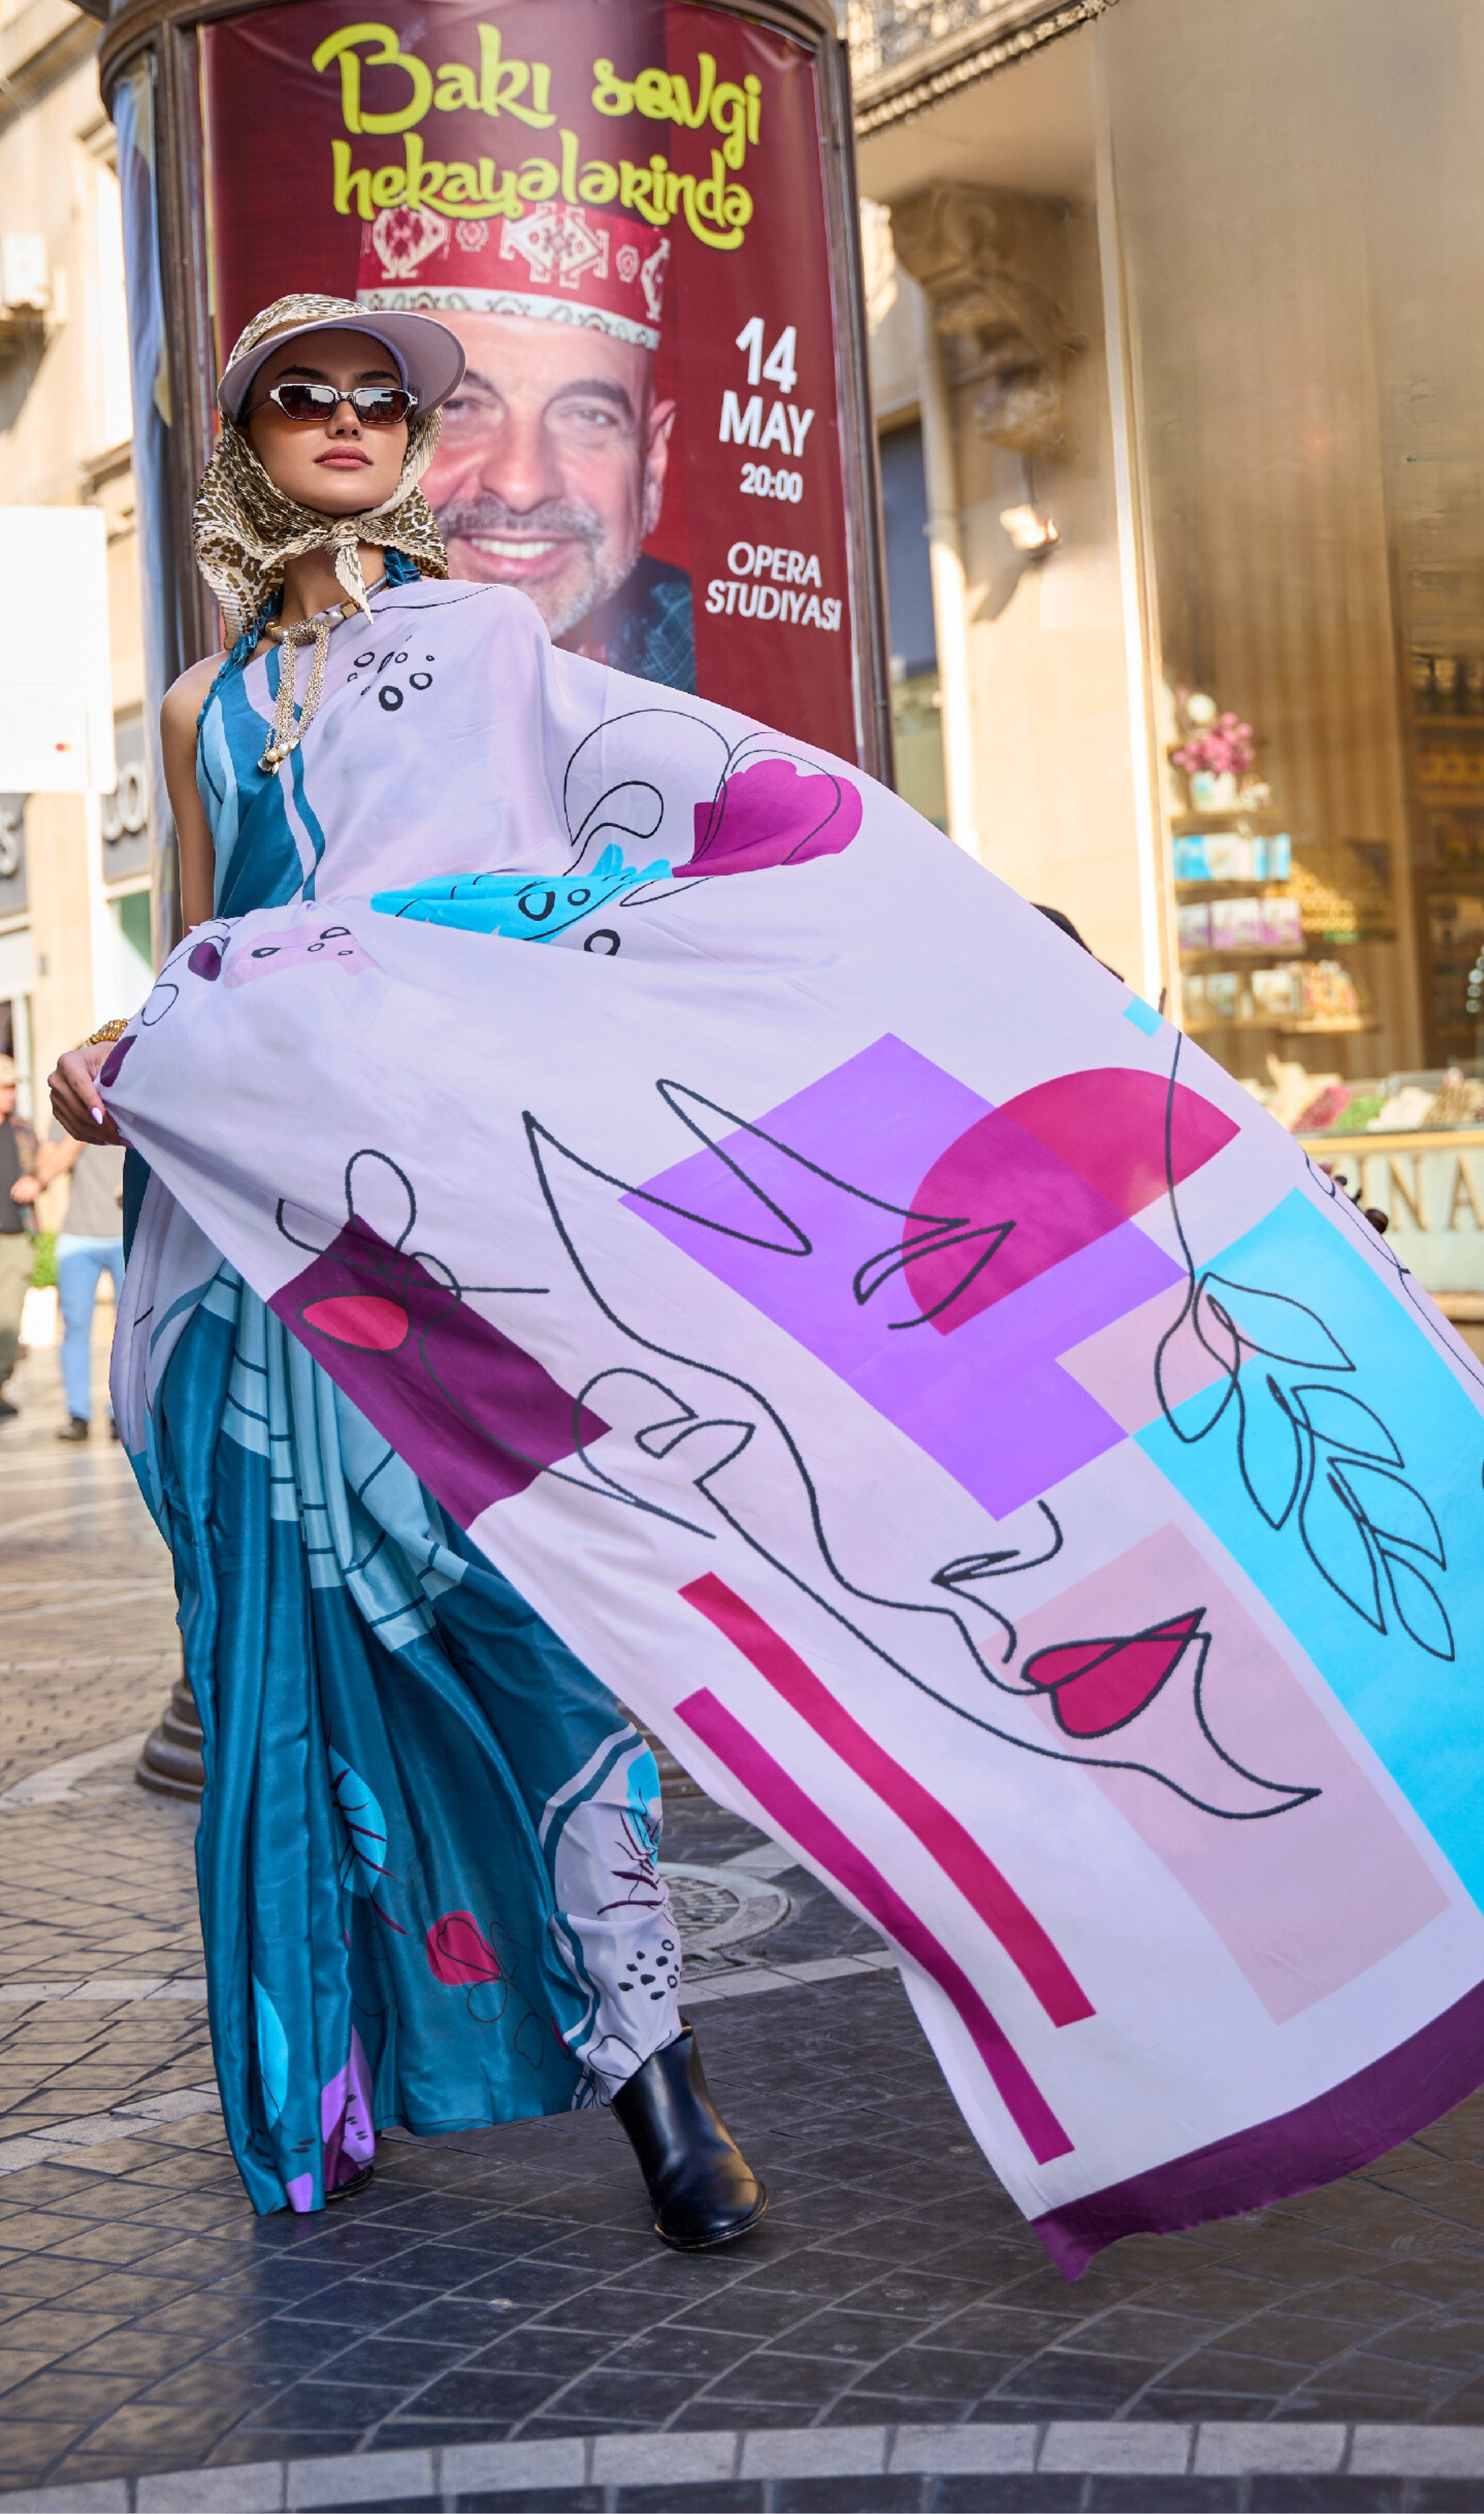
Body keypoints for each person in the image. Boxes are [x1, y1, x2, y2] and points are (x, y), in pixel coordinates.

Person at [49, 293, 761, 2246]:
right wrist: (114, 1054)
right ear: (246, 439)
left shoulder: (475, 649)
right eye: (308, 394)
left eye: (386, 396)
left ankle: (661, 2089)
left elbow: (513, 916)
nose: (351, 418)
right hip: (236, 1241)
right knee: (274, 1671)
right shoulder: (201, 708)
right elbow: (216, 952)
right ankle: (318, 2081)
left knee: (529, 1649)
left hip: (425, 1223)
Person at [358, 203, 693, 687]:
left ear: (652, 464)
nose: (521, 484)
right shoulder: (284, 684)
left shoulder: (740, 672)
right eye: (459, 408)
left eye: (587, 416)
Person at [11, 1130, 125, 1440]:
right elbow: (49, 1162)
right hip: (78, 1235)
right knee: (74, 1326)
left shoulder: (129, 1094)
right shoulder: (71, 1098)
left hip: (124, 1232)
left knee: (127, 1330)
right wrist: (81, 1128)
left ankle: (122, 1413)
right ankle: (78, 1414)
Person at [0, 1054, 37, 1421]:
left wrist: (36, 1180)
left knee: (8, 1321)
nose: (10, 1095)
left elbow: (40, 1169)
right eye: (4, 1088)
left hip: (15, 1236)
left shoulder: (23, 1131)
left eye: (12, 1088)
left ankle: (0, 1384)